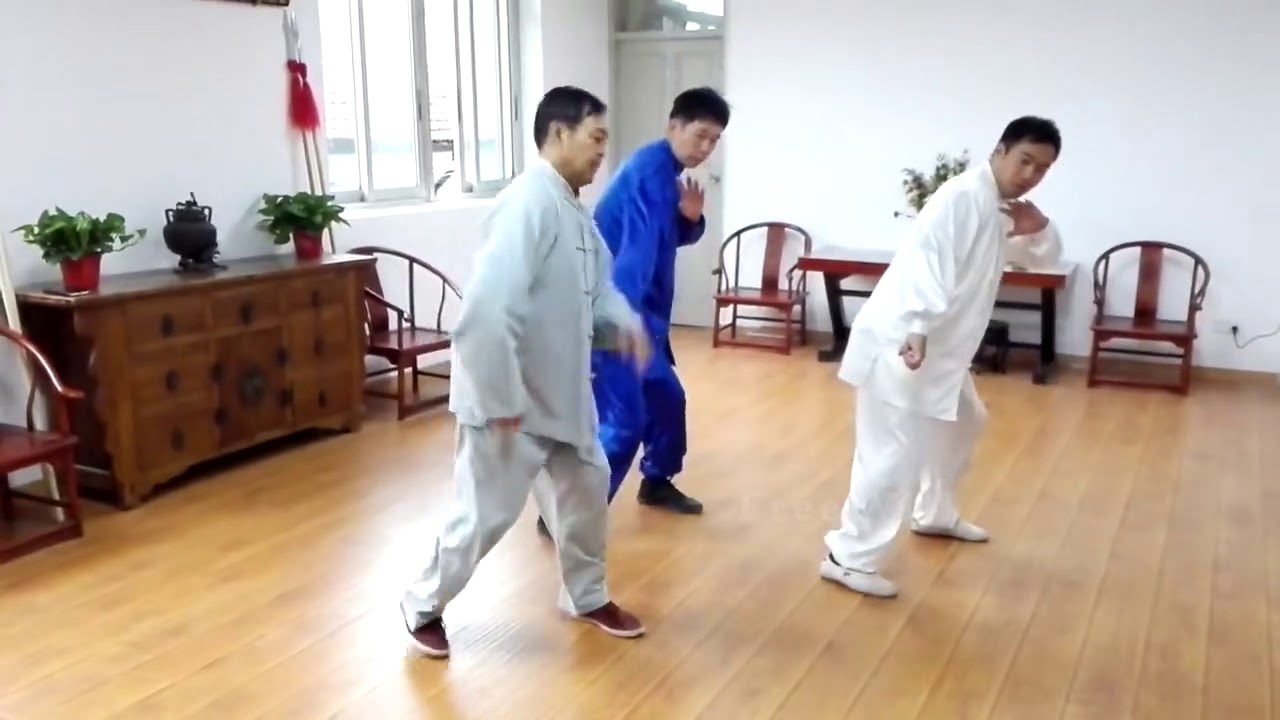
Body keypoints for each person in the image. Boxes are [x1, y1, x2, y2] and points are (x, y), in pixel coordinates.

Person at [399, 86, 653, 658]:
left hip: (560, 394)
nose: (602, 151)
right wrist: (500, 398)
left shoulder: (575, 212)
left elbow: (598, 293)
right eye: (596, 137)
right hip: (509, 401)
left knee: (587, 488)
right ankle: (422, 603)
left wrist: (624, 327)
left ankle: (586, 595)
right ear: (559, 133)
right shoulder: (527, 204)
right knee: (484, 515)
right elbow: (485, 313)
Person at [819, 116, 1065, 599]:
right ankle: (847, 557)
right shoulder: (962, 197)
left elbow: (1043, 257)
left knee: (966, 421)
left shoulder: (999, 208)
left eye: (1042, 168)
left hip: (941, 352)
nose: (1031, 175)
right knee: (890, 454)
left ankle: (934, 514)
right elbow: (924, 261)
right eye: (1025, 161)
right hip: (905, 342)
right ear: (1000, 150)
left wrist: (1038, 228)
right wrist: (917, 326)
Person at [575, 87, 732, 523]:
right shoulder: (650, 174)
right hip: (615, 312)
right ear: (673, 126)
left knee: (667, 399)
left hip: (639, 314)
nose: (706, 148)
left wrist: (690, 219)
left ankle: (657, 480)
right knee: (623, 420)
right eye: (700, 135)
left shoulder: (667, 175)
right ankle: (571, 511)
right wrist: (624, 324)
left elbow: (665, 238)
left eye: (714, 140)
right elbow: (634, 259)